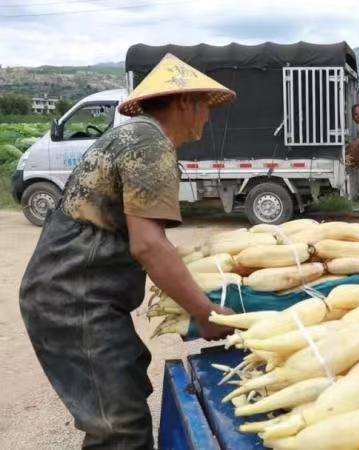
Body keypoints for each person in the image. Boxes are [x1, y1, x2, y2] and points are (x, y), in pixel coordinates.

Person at [18, 54, 236, 449]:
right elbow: (149, 245)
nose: (207, 116)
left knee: (125, 393)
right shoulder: (149, 142)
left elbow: (147, 239)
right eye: (204, 105)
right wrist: (205, 313)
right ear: (184, 102)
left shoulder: (136, 136)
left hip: (80, 295)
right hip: (75, 297)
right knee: (120, 427)